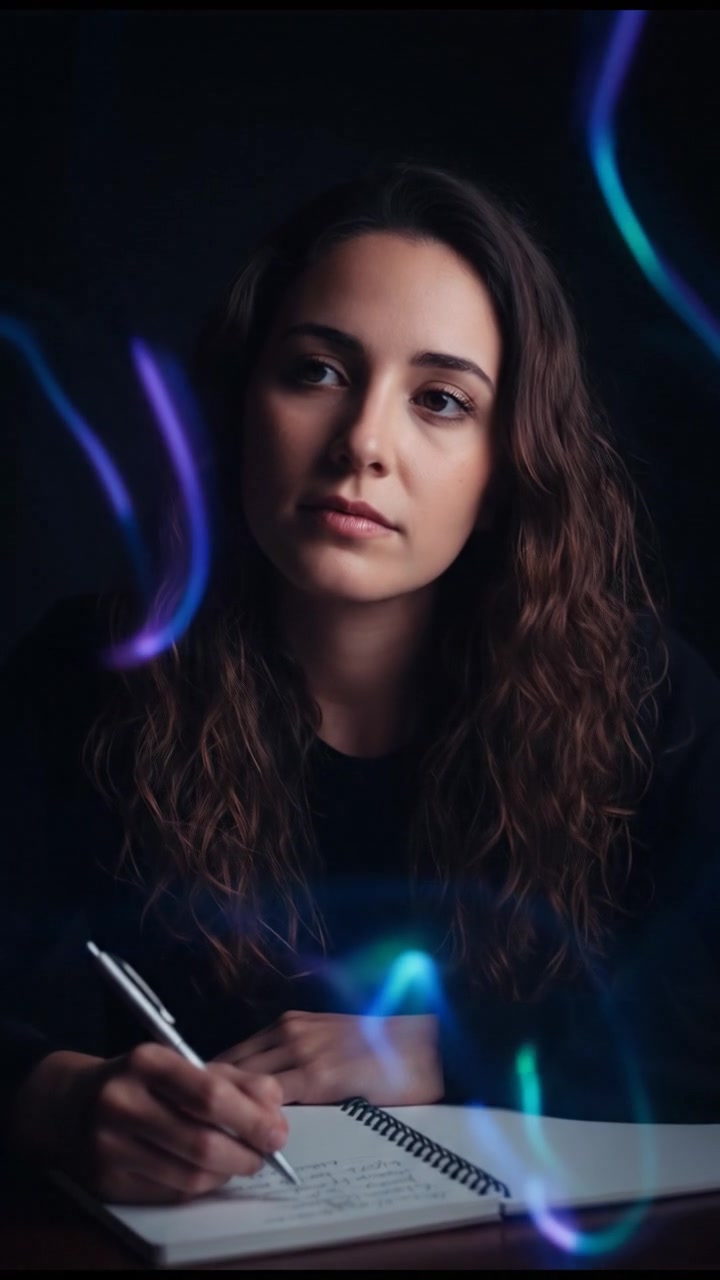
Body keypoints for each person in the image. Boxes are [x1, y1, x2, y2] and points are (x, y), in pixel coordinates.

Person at [2, 162, 719, 1207]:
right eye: (318, 370)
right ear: (244, 398)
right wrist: (59, 1099)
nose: (364, 445)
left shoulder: (647, 700)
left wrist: (444, 1051)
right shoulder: (89, 676)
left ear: (508, 459)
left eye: (440, 400)